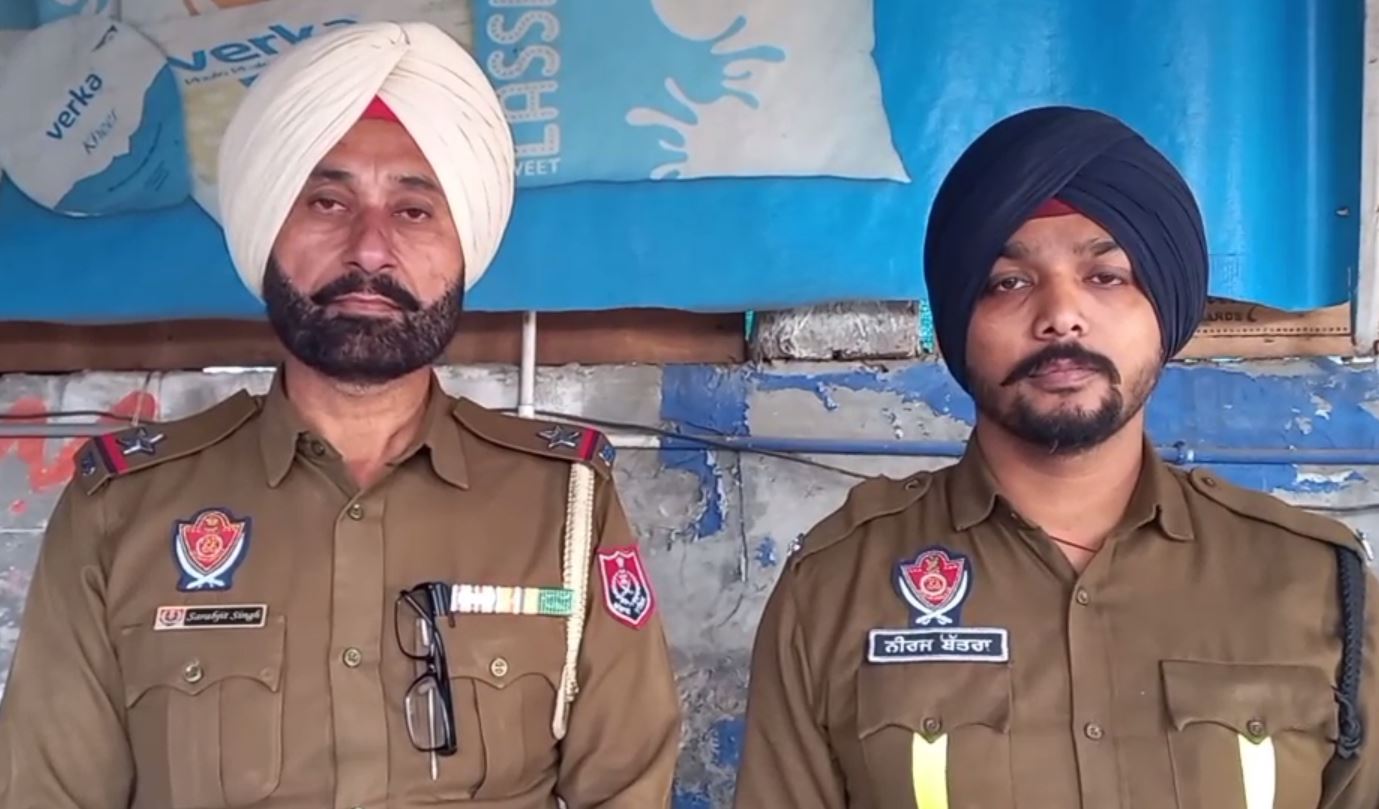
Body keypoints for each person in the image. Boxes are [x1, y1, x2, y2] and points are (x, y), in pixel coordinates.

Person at [0, 21, 680, 809]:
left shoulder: (564, 505)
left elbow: (627, 789)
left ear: (464, 247)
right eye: (327, 201)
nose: (370, 250)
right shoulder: (120, 509)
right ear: (269, 229)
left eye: (414, 210)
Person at [732, 105, 1379, 808]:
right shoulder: (833, 587)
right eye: (1008, 282)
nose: (1060, 316)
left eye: (1106, 276)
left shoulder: (1314, 583)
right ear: (958, 320)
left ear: (1163, 309)